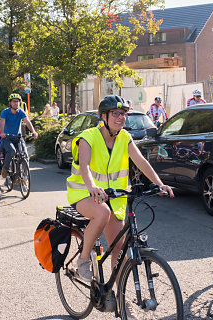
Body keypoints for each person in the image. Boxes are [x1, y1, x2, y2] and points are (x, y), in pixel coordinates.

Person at [66, 95, 174, 282]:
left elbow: (141, 161)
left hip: (114, 197)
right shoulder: (88, 137)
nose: (120, 117)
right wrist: (92, 187)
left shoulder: (125, 137)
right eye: (115, 113)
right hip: (84, 193)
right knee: (101, 213)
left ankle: (120, 298)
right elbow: (84, 165)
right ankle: (83, 260)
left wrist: (159, 183)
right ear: (104, 117)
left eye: (123, 114)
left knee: (119, 248)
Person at [0, 93, 38, 181]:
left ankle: (24, 175)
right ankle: (5, 168)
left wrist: (33, 131)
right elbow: (2, 122)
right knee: (12, 151)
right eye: (14, 101)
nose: (16, 103)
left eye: (18, 101)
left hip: (18, 138)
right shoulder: (5, 112)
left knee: (25, 154)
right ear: (10, 103)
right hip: (7, 138)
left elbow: (27, 122)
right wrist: (2, 132)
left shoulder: (21, 112)